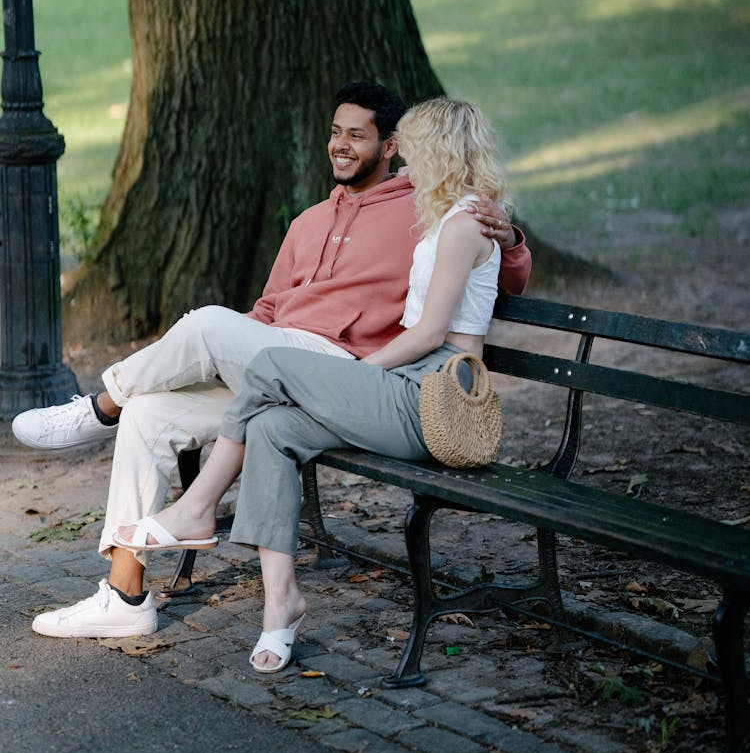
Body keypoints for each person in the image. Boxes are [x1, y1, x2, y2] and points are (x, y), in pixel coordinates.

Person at [27, 84, 530, 641]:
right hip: (273, 366)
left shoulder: (422, 207)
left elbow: (497, 273)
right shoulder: (308, 222)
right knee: (151, 415)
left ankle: (101, 406)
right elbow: (265, 310)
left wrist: (510, 236)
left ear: (392, 147)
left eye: (357, 136)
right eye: (335, 133)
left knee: (207, 322)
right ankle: (125, 596)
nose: (341, 146)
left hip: (347, 368)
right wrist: (226, 351)